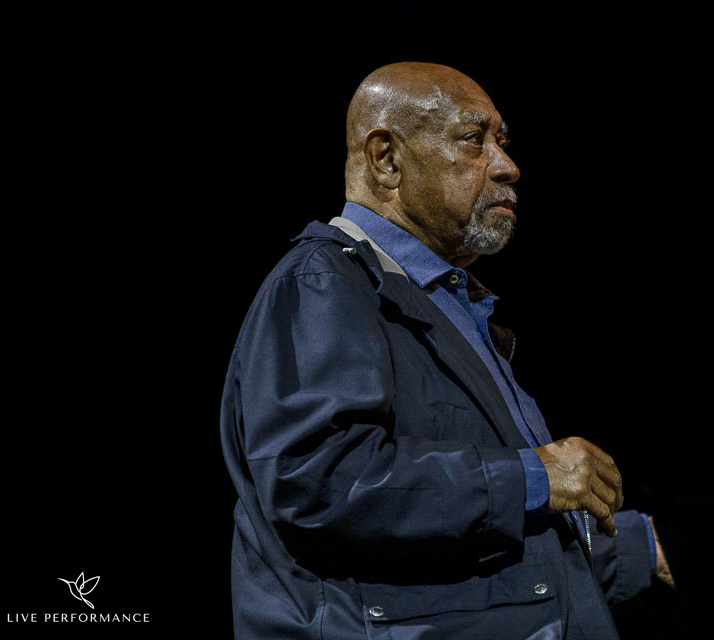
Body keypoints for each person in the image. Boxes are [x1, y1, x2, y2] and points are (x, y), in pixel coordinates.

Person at [219, 61, 674, 639]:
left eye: (502, 141)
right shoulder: (325, 282)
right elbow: (319, 481)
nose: (507, 166)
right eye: (474, 139)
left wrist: (637, 548)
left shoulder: (440, 300)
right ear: (386, 160)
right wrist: (533, 476)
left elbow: (470, 538)